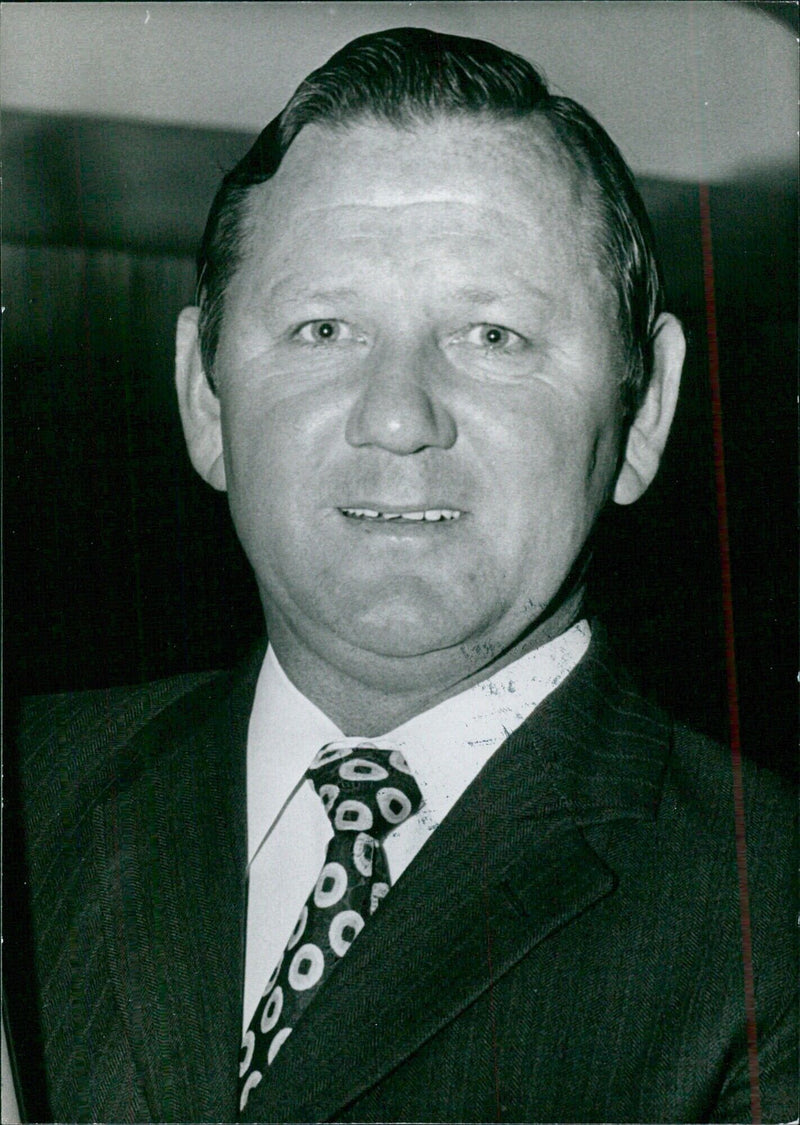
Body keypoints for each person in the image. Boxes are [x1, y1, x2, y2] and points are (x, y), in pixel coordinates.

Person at [8, 27, 795, 1124]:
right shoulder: (23, 794)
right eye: (322, 327)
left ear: (644, 408)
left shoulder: (771, 917)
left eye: (492, 334)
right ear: (204, 396)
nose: (395, 417)